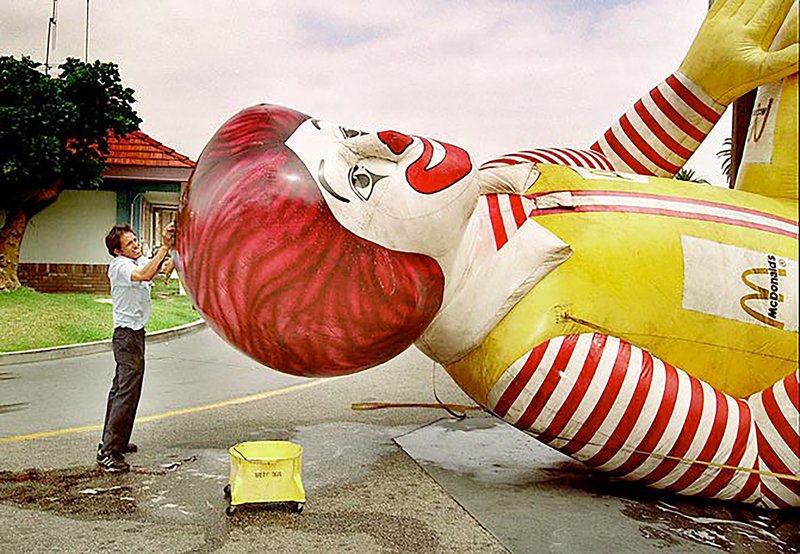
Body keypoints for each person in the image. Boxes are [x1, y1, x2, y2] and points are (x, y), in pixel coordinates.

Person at [175, 0, 798, 506]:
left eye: (347, 133)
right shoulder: (536, 367)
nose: (384, 139)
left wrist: (698, 85)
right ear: (369, 280)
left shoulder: (505, 177)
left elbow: (619, 165)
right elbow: (759, 456)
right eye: (361, 178)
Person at [98, 222, 175, 472]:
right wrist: (164, 246)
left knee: (121, 390)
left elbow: (159, 268)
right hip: (126, 337)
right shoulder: (120, 266)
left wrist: (173, 253)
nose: (136, 244)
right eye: (130, 243)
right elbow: (145, 275)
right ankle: (109, 453)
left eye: (135, 239)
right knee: (126, 393)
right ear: (118, 251)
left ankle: (114, 442)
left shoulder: (136, 260)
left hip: (134, 335)